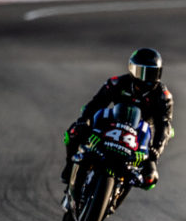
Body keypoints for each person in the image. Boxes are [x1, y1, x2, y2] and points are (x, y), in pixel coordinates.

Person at [62, 47, 174, 190]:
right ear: (132, 70)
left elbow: (164, 125)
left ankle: (120, 189)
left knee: (150, 178)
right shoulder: (117, 83)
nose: (147, 79)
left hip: (141, 137)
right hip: (113, 124)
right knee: (74, 132)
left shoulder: (163, 96)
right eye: (142, 72)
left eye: (152, 73)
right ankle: (69, 166)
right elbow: (95, 104)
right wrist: (85, 120)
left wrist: (156, 151)